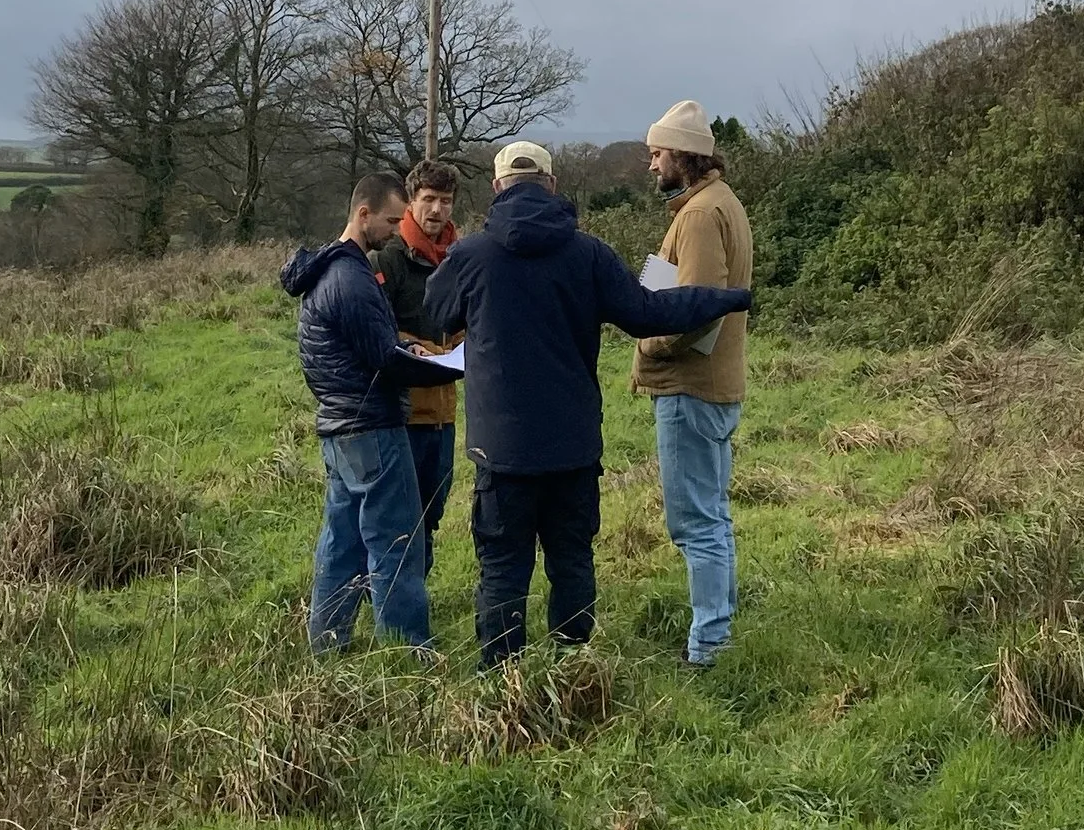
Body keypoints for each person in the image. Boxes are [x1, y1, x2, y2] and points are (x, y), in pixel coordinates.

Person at [420, 138, 751, 666]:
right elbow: (649, 312)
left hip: (500, 451)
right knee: (572, 561)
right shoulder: (588, 253)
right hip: (573, 447)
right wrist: (731, 296)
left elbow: (436, 315)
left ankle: (503, 682)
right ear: (552, 186)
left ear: (498, 187)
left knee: (503, 566)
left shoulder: (470, 255)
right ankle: (573, 672)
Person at [280, 173, 447, 653]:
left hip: (339, 426)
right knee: (397, 541)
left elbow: (377, 341)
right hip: (370, 424)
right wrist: (449, 368)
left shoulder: (332, 271)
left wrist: (406, 343)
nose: (399, 229)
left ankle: (328, 643)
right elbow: (384, 359)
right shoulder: (351, 278)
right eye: (394, 219)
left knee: (344, 541)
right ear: (364, 213)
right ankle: (407, 648)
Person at [632, 100, 754, 669]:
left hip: (691, 387)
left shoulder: (702, 214)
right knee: (713, 514)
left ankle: (708, 647)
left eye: (657, 153)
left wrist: (650, 342)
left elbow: (698, 308)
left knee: (695, 522)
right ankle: (718, 635)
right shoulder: (712, 203)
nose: (651, 165)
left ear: (683, 154)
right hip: (713, 384)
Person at [372, 159, 462, 574]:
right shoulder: (387, 259)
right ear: (411, 202)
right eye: (428, 199)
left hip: (445, 412)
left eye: (445, 201)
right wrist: (418, 347)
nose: (437, 210)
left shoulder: (459, 258)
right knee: (399, 517)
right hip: (404, 413)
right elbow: (379, 329)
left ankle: (414, 593)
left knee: (433, 511)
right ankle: (395, 602)